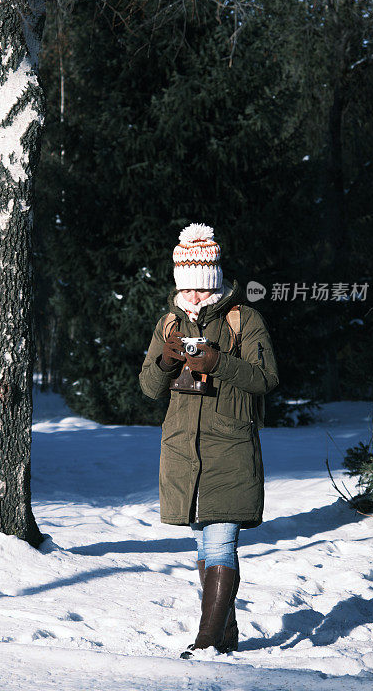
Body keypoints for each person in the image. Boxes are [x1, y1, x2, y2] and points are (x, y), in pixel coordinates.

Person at [139, 223, 279, 659]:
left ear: (215, 282)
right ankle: (226, 633)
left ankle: (206, 642)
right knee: (203, 543)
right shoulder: (169, 323)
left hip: (230, 448)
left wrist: (217, 361)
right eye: (188, 288)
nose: (195, 297)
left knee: (219, 542)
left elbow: (266, 379)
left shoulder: (244, 319)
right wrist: (165, 358)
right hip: (183, 451)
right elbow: (147, 388)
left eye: (202, 288)